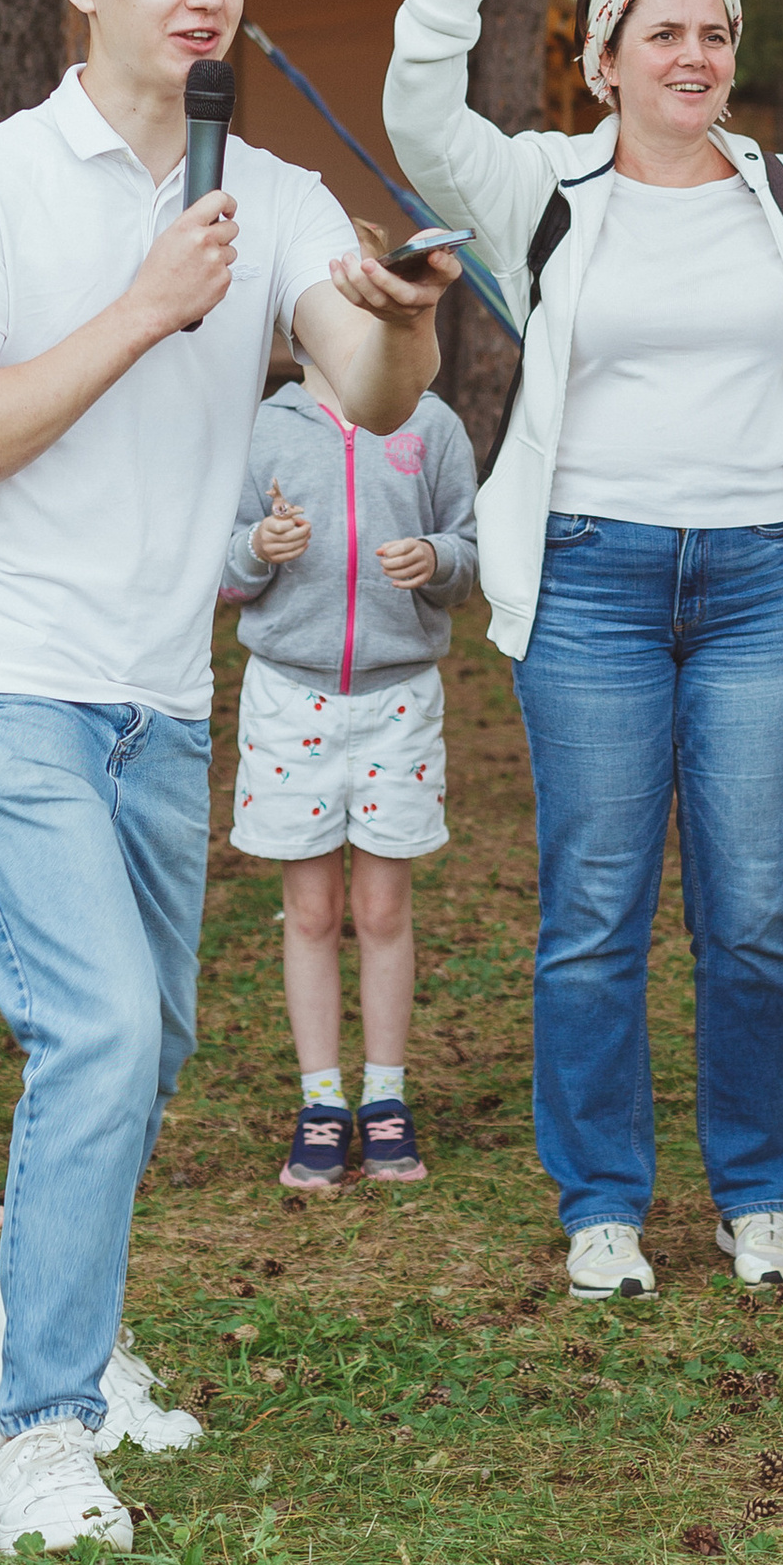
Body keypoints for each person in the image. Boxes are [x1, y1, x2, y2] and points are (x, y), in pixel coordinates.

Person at [0, 0, 456, 1557]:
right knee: (102, 1034)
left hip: (160, 696)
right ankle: (41, 1439)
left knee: (155, 1047)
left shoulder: (268, 195)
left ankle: (35, 1320)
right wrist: (145, 308)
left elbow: (362, 390)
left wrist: (408, 316)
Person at [385, 0, 783, 1303]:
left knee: (753, 909)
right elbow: (421, 121)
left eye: (714, 32)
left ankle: (758, 1195)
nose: (692, 54)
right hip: (593, 588)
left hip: (759, 589)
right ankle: (603, 1203)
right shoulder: (546, 191)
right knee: (597, 909)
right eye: (661, 30)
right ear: (604, 56)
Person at [223, 333, 479, 1192]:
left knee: (381, 909)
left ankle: (387, 1097)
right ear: (300, 332)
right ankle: (322, 1101)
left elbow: (469, 554)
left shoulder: (431, 425)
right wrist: (260, 547)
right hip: (289, 699)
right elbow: (220, 562)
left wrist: (436, 559)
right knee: (310, 912)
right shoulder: (258, 427)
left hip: (397, 701)